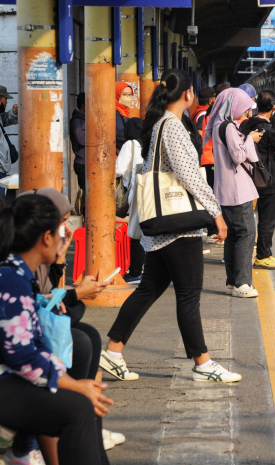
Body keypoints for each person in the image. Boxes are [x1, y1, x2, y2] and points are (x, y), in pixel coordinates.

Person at [0, 195, 113, 465]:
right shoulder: (9, 278)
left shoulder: (17, 273)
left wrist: (73, 383)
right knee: (76, 406)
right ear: (45, 238)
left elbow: (32, 344)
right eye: (59, 230)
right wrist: (74, 384)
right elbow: (22, 356)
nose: (62, 236)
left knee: (81, 400)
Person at [101, 68, 238, 384]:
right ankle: (203, 364)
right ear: (189, 94)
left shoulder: (160, 125)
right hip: (179, 227)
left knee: (149, 289)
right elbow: (190, 175)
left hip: (164, 227)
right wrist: (216, 212)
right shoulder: (172, 128)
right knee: (189, 295)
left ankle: (113, 351)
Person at [210, 88, 263, 297]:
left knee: (233, 235)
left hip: (225, 189)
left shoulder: (216, 126)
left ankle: (232, 282)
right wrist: (250, 139)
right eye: (243, 109)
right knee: (247, 233)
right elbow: (239, 156)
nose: (244, 113)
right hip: (237, 190)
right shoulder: (229, 127)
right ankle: (242, 284)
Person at [241, 89, 275, 270]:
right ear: (274, 108)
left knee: (247, 218)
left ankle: (256, 254)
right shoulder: (268, 129)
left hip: (248, 177)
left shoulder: (245, 126)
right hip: (268, 179)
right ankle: (264, 255)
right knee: (267, 219)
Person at [115, 118, 145, 283]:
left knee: (136, 234)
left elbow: (119, 169)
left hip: (137, 192)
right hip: (151, 192)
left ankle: (134, 272)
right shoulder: (148, 142)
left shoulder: (130, 144)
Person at [195, 87, 216, 186]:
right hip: (207, 158)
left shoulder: (197, 112)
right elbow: (200, 133)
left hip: (204, 158)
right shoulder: (204, 114)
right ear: (210, 100)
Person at [70, 95, 86, 194]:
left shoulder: (83, 119)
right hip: (82, 162)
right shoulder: (78, 120)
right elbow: (82, 139)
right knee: (86, 193)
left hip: (85, 161)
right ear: (83, 106)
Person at [115, 82, 133, 152]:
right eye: (124, 94)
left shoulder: (124, 112)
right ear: (117, 95)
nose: (128, 97)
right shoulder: (116, 113)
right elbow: (120, 135)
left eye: (130, 94)